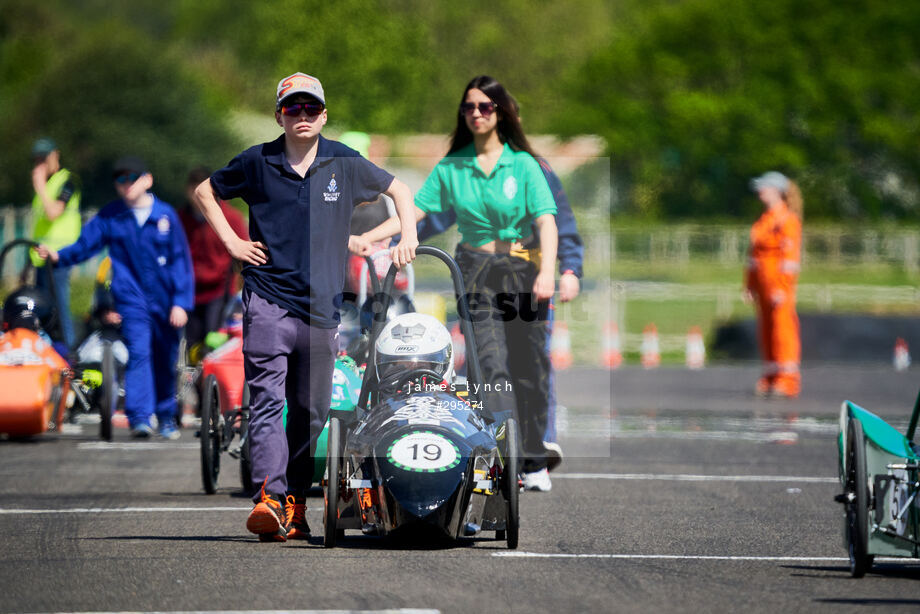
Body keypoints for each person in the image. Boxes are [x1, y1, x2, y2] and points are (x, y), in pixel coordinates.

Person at [192, 72, 418, 542]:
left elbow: (401, 193)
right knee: (269, 402)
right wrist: (233, 242)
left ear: (324, 115)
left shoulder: (344, 162)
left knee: (311, 412)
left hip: (321, 309)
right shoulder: (257, 161)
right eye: (292, 108)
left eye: (310, 108)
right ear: (279, 115)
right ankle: (269, 497)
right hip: (267, 299)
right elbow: (205, 193)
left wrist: (402, 236)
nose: (302, 116)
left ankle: (294, 499)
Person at [354, 75, 559, 492]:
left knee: (530, 368)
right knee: (490, 366)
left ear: (500, 112)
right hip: (477, 270)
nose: (477, 114)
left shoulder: (522, 164)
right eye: (469, 108)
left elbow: (546, 221)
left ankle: (534, 454)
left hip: (522, 271)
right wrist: (371, 237)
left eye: (485, 107)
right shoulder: (453, 166)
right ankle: (507, 463)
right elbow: (416, 212)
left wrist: (548, 272)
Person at [37, 156, 194, 439]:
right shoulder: (111, 215)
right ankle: (140, 418)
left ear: (147, 180)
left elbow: (182, 261)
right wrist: (58, 256)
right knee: (139, 352)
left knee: (165, 356)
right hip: (131, 297)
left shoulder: (166, 215)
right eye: (120, 180)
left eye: (132, 178)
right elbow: (86, 245)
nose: (126, 185)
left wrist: (181, 302)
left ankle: (167, 415)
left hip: (166, 299)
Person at [744, 171, 803, 398]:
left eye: (764, 188)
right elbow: (753, 257)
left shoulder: (787, 221)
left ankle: (787, 380)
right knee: (766, 330)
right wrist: (749, 285)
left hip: (779, 287)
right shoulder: (764, 220)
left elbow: (790, 261)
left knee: (782, 331)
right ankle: (770, 375)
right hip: (762, 285)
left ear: (776, 191)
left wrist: (782, 287)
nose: (760, 192)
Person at [179, 166, 249, 348]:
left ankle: (211, 375)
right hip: (189, 290)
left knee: (214, 342)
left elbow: (245, 257)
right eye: (193, 189)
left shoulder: (231, 217)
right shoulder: (179, 219)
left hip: (220, 290)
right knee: (191, 343)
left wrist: (242, 295)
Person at [29, 138, 81, 352]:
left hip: (60, 257)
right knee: (43, 310)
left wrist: (39, 186)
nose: (40, 164)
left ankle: (68, 355)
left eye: (44, 158)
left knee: (60, 309)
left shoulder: (67, 181)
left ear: (55, 155)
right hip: (40, 258)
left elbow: (53, 213)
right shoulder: (48, 184)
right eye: (37, 159)